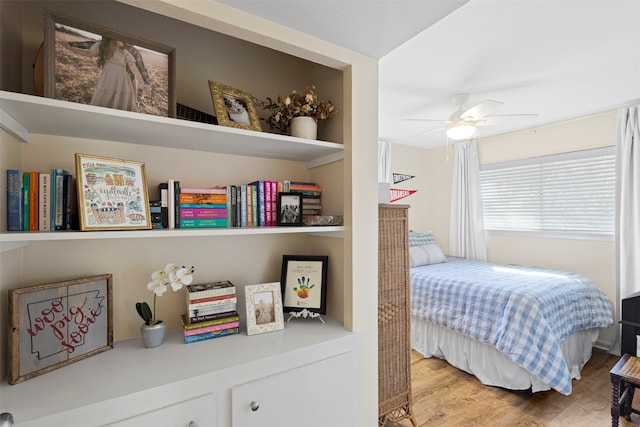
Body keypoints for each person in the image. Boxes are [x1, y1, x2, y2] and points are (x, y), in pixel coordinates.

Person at [70, 37, 148, 111]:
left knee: (120, 100)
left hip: (122, 81)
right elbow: (88, 52)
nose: (124, 41)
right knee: (104, 98)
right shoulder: (103, 46)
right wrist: (70, 47)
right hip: (108, 79)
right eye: (122, 39)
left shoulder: (125, 52)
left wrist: (144, 84)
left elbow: (134, 67)